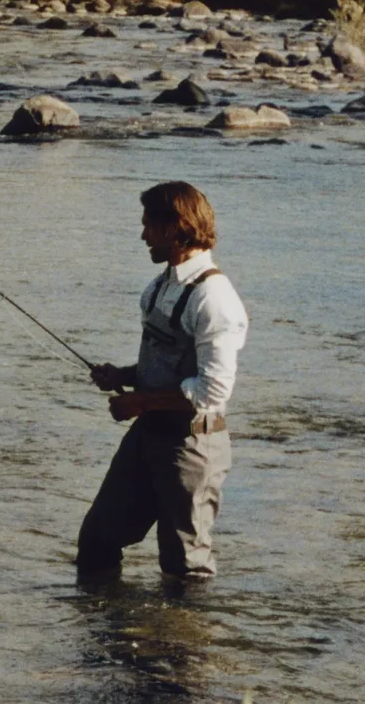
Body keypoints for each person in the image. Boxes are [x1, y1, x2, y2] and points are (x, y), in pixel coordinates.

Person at [77, 180, 249, 582]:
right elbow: (170, 364)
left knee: (185, 568)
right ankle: (109, 637)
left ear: (173, 228)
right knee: (98, 540)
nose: (142, 236)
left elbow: (213, 391)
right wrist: (123, 376)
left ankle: (180, 644)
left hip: (192, 446)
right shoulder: (161, 285)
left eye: (148, 226)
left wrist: (138, 402)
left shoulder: (215, 299)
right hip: (148, 436)